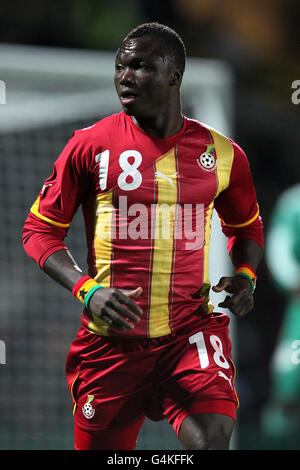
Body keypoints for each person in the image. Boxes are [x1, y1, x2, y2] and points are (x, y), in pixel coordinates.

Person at [23, 22, 264, 450]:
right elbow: (40, 230)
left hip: (190, 334)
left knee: (212, 439)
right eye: (120, 67)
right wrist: (87, 289)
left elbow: (246, 225)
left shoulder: (224, 154)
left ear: (175, 75)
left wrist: (246, 273)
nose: (125, 77)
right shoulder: (90, 145)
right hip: (110, 346)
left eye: (140, 66)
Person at [261, 184, 300, 449]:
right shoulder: (294, 201)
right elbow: (280, 246)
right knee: (290, 370)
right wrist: (293, 280)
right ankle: (278, 435)